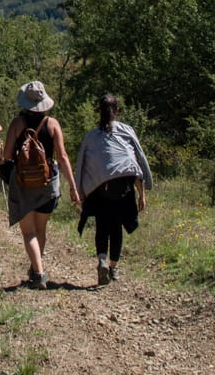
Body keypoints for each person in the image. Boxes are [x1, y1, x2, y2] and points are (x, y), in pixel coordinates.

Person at [1, 80, 79, 288]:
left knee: (28, 232)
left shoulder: (17, 123)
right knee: (41, 229)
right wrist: (73, 185)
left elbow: (7, 155)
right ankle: (37, 267)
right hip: (48, 181)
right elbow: (62, 157)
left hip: (23, 182)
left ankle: (39, 273)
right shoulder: (52, 124)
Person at [73, 93, 153, 285]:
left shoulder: (91, 137)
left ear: (99, 112)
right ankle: (113, 268)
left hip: (99, 190)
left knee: (102, 226)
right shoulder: (126, 131)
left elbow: (82, 164)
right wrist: (142, 193)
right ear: (117, 111)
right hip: (123, 189)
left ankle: (101, 260)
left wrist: (80, 191)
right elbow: (135, 163)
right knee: (116, 228)